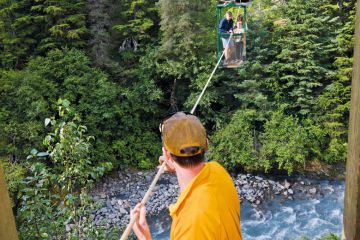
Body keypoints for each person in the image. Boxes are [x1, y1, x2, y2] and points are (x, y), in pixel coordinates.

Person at [130, 112, 243, 240]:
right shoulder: (218, 171)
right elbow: (192, 189)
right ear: (206, 144)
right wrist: (175, 167)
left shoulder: (189, 225)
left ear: (166, 155)